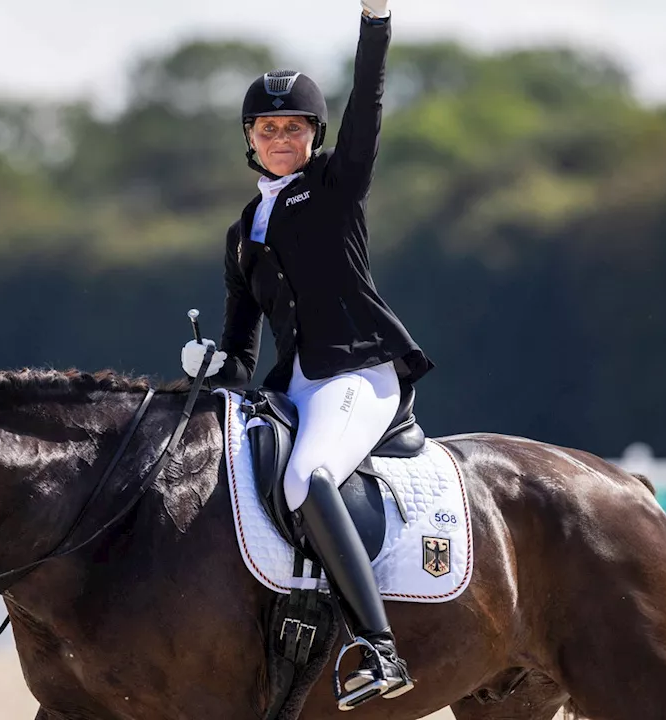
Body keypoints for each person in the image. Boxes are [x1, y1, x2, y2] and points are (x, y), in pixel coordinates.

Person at [179, 0, 433, 706]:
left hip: (359, 370)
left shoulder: (335, 185)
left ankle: (380, 650)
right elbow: (240, 348)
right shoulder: (242, 232)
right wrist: (210, 365)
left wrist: (374, 22)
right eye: (269, 128)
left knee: (305, 476)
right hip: (293, 384)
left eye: (295, 127)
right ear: (250, 140)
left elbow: (369, 106)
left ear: (314, 135)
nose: (282, 137)